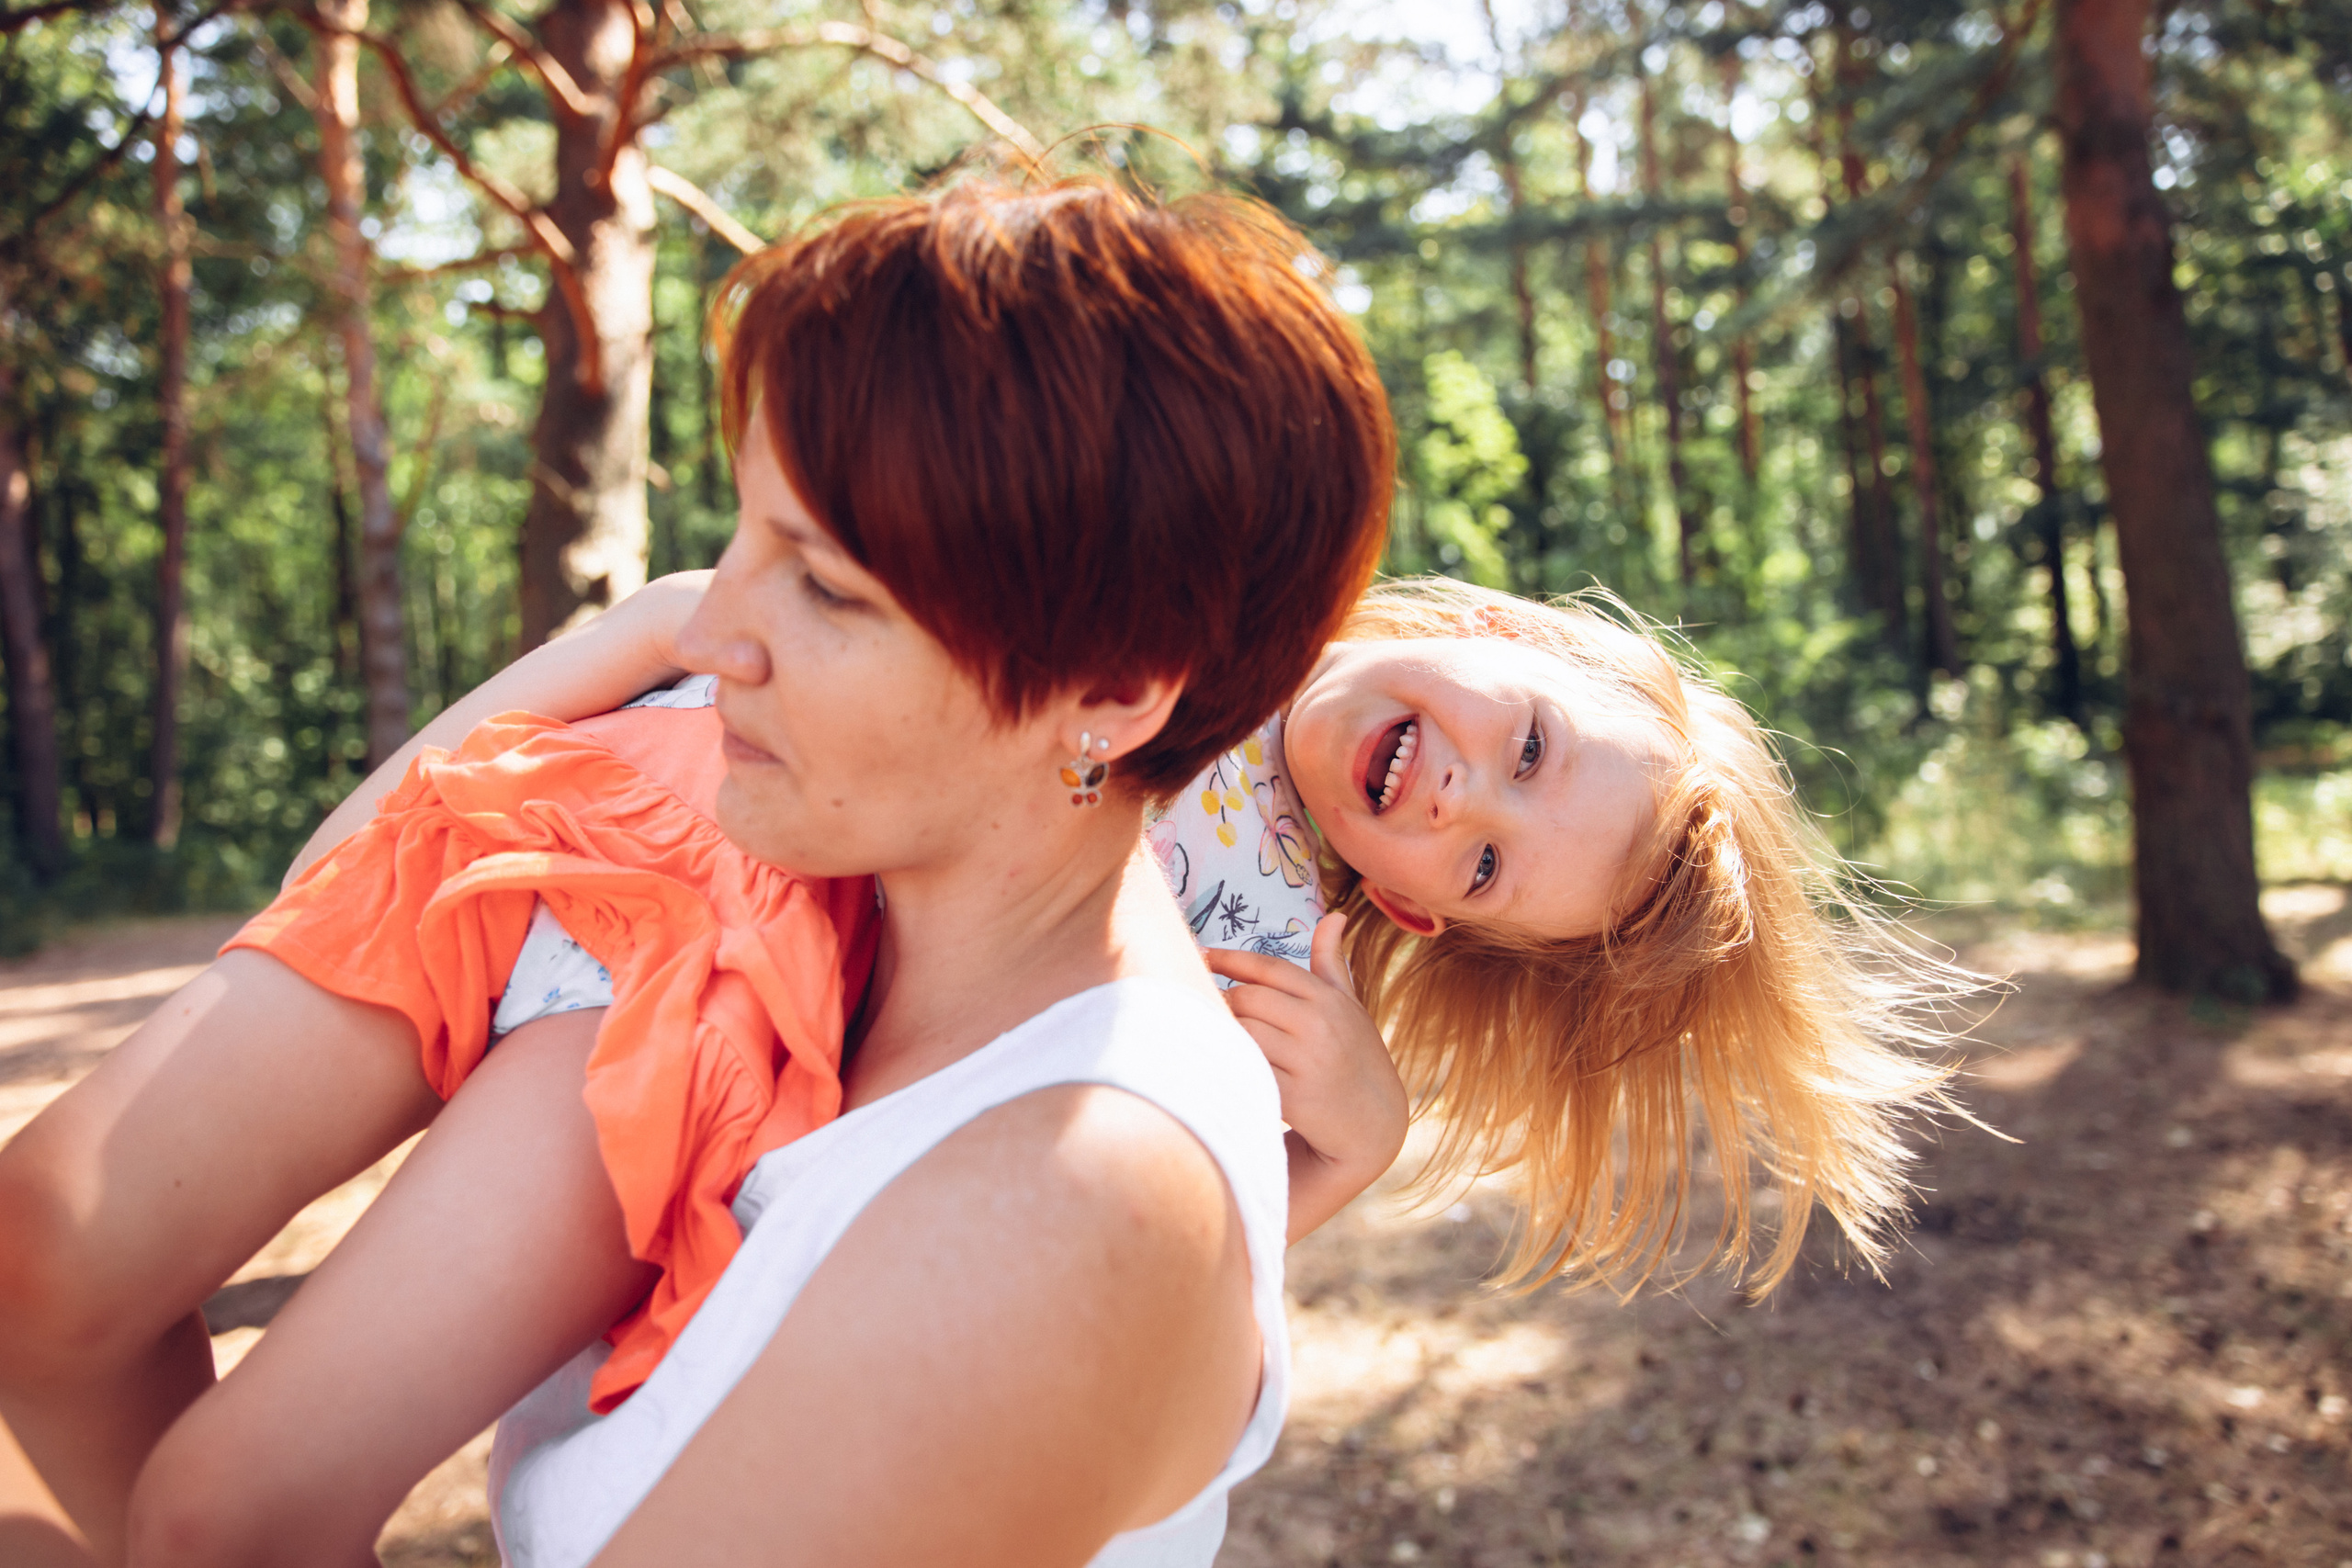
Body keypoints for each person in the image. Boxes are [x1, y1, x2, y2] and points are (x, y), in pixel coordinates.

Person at [0, 175, 1399, 1568]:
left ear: (1110, 689)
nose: (714, 628)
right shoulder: (831, 940)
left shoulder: (1074, 1199)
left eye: (828, 588)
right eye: (746, 531)